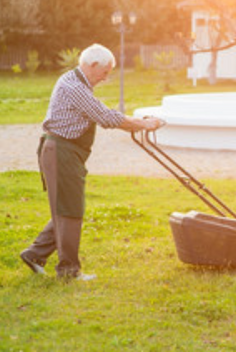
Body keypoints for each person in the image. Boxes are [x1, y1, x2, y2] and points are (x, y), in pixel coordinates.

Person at [20, 43, 166, 281]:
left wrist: (138, 123)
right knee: (70, 211)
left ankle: (35, 254)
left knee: (67, 207)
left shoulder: (75, 81)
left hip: (65, 152)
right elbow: (105, 117)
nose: (106, 78)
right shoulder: (74, 87)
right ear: (92, 65)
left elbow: (102, 115)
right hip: (61, 152)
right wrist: (144, 124)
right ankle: (68, 271)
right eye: (105, 72)